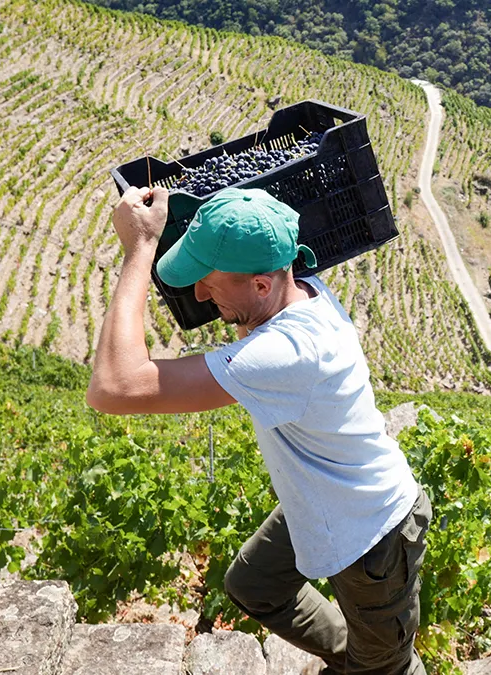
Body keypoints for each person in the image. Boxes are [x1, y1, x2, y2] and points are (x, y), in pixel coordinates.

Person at [87, 185, 430, 675]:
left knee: (389, 668)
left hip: (371, 532)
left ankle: (379, 665)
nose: (199, 293)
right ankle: (360, 660)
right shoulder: (300, 286)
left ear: (263, 286)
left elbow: (113, 388)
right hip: (320, 500)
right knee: (254, 585)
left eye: (209, 280)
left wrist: (139, 249)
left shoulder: (285, 353)